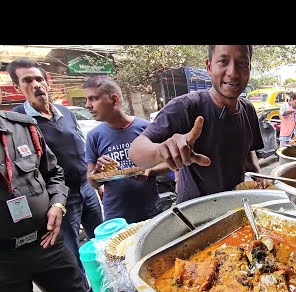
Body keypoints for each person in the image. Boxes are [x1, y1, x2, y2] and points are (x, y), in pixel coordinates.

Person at [129, 45, 264, 204]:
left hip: (236, 207)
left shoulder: (248, 109)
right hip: (194, 214)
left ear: (249, 68)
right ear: (209, 66)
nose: (233, 73)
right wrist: (161, 151)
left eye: (242, 63)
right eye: (223, 61)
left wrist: (258, 175)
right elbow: (136, 152)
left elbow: (248, 151)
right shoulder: (186, 107)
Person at [7, 58, 103, 272]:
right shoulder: (17, 121)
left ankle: (111, 284)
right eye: (27, 80)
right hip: (60, 199)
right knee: (72, 251)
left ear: (47, 82)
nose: (36, 85)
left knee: (101, 239)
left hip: (86, 188)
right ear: (17, 87)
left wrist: (97, 180)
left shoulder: (65, 112)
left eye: (39, 79)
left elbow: (82, 145)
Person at [0, 110, 87, 292]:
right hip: (4, 260)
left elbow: (53, 173)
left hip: (47, 241)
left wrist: (58, 203)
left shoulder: (23, 127)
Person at [84, 75, 168, 223]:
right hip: (116, 216)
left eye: (93, 99)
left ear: (114, 99)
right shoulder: (93, 136)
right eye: (87, 100)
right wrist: (97, 173)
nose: (87, 105)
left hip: (150, 210)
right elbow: (92, 182)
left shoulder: (146, 129)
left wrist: (150, 171)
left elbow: (169, 162)